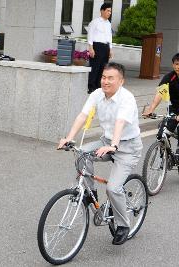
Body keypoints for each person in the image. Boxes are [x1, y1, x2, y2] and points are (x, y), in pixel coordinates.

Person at [58, 62, 143, 245]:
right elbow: (82, 115)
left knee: (113, 188)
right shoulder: (97, 94)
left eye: (110, 78)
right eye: (104, 77)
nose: (105, 81)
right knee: (81, 154)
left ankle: (123, 225)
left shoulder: (126, 98)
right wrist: (69, 137)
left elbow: (120, 122)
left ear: (121, 81)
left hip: (127, 147)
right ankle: (91, 195)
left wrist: (114, 145)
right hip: (106, 141)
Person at [143, 53, 179, 154]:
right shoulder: (169, 77)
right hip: (173, 109)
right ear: (173, 65)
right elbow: (160, 93)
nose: (178, 67)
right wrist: (151, 109)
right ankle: (165, 156)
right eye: (176, 64)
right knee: (162, 133)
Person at [87, 3, 113, 94]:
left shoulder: (108, 24)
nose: (109, 13)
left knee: (103, 68)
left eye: (110, 11)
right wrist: (91, 48)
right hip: (96, 46)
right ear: (102, 11)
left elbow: (110, 37)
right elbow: (90, 35)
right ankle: (91, 87)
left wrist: (110, 49)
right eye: (108, 11)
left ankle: (98, 87)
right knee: (95, 67)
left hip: (105, 48)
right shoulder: (95, 22)